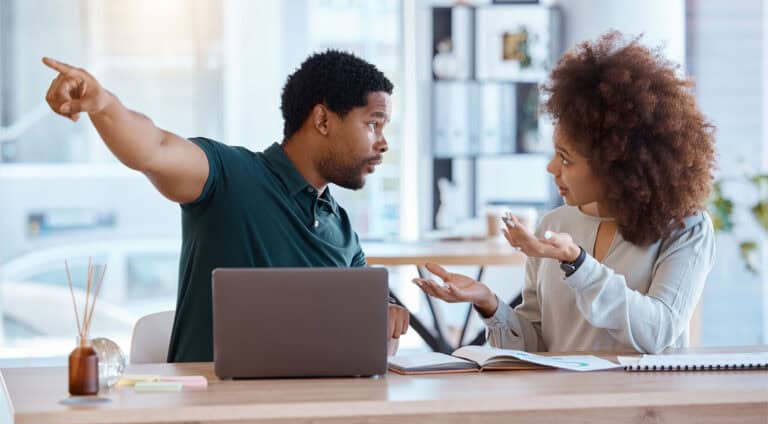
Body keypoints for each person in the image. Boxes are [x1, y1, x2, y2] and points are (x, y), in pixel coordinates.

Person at [42, 50, 410, 362]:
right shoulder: (230, 175)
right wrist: (104, 105)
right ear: (323, 120)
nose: (382, 144)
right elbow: (152, 149)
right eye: (373, 125)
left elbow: (371, 330)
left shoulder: (341, 228)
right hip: (209, 415)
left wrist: (386, 318)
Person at [413, 31, 717, 354]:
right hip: (563, 402)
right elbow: (536, 345)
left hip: (644, 404)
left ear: (615, 162)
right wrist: (488, 303)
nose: (551, 168)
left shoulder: (686, 228)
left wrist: (577, 263)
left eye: (566, 158)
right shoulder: (553, 225)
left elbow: (658, 332)